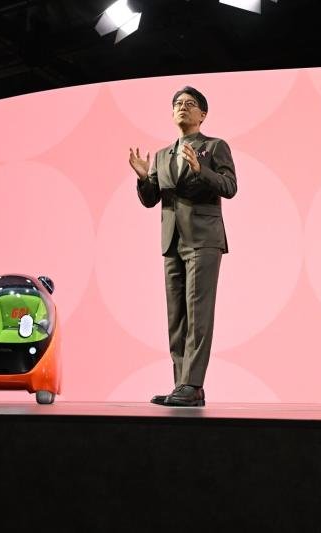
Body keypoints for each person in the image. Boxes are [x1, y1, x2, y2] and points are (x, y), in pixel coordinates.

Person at [129, 86, 237, 407]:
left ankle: (192, 383)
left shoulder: (214, 147)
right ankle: (183, 386)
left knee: (198, 315)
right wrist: (142, 179)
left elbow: (229, 186)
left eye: (190, 104)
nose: (182, 108)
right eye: (177, 104)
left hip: (203, 239)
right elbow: (152, 200)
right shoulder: (162, 155)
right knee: (176, 318)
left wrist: (200, 171)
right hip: (172, 242)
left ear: (202, 114)